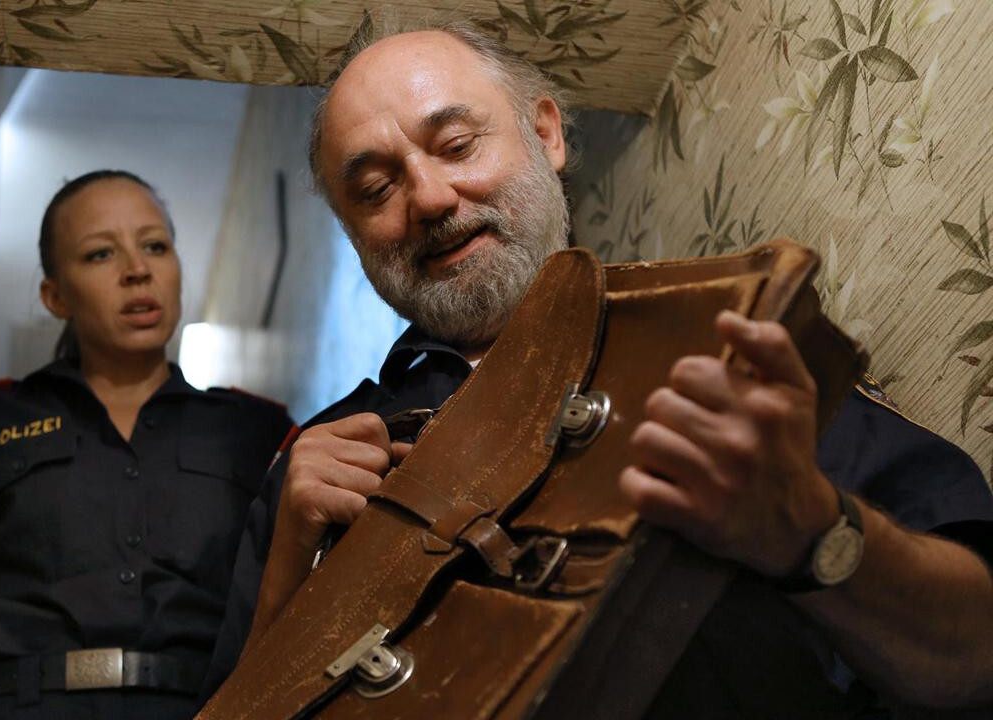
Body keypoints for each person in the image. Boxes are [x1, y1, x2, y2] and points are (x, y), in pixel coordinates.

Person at [203, 22, 993, 716]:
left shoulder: (728, 346)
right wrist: (289, 575)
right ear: (353, 232)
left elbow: (976, 658)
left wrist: (813, 533)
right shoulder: (318, 469)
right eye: (377, 188)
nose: (431, 198)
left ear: (546, 134)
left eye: (457, 145)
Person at [0, 170, 295, 720]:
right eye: (100, 254)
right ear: (55, 296)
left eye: (155, 246)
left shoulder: (256, 431)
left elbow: (311, 618)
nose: (137, 269)